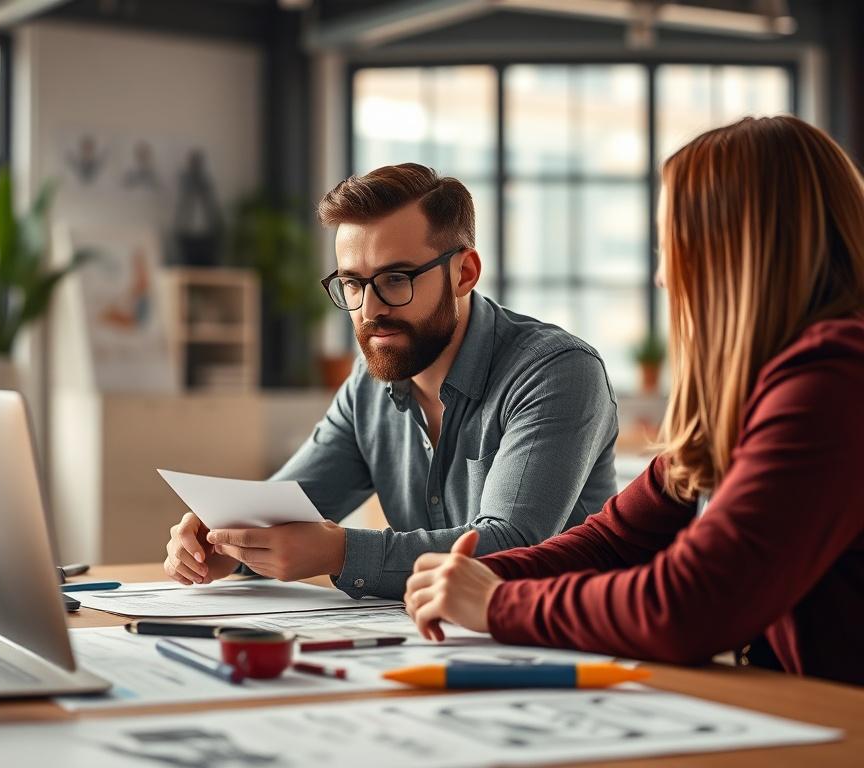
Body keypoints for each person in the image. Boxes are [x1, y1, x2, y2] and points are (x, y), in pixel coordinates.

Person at [403, 116, 864, 686]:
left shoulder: (834, 381)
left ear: (731, 255)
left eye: (672, 245)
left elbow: (692, 605)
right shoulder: (756, 393)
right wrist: (473, 578)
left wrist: (497, 604)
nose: (663, 277)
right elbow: (616, 542)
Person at [164, 163, 619, 599]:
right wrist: (223, 542)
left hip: (560, 648)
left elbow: (510, 548)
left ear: (464, 273)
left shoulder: (557, 372)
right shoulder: (368, 386)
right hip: (428, 639)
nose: (368, 310)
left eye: (395, 279)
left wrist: (339, 552)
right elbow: (278, 516)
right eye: (353, 283)